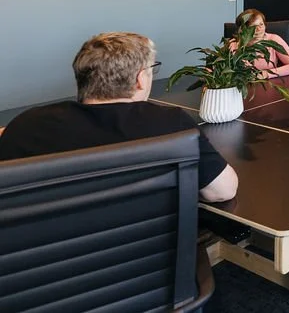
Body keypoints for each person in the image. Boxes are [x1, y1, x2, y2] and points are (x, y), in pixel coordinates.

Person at [0, 32, 238, 203]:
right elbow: (223, 191)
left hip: (41, 255)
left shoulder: (26, 124)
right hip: (146, 253)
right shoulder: (172, 125)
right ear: (140, 79)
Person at [231, 8, 289, 77]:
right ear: (242, 29)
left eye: (261, 24)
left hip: (269, 82)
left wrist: (265, 74)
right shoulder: (233, 44)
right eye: (253, 27)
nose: (259, 29)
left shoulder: (273, 40)